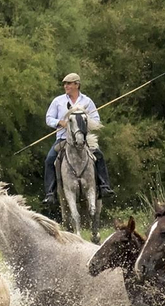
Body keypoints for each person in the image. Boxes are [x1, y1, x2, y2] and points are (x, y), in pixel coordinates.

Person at [44, 73, 114, 206]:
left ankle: (104, 186)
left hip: (84, 139)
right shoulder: (58, 101)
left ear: (77, 84)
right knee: (49, 160)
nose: (66, 86)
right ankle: (50, 193)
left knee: (99, 155)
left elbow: (96, 119)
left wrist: (83, 123)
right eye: (65, 84)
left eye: (69, 83)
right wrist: (61, 122)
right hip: (63, 139)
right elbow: (48, 118)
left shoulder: (87, 102)